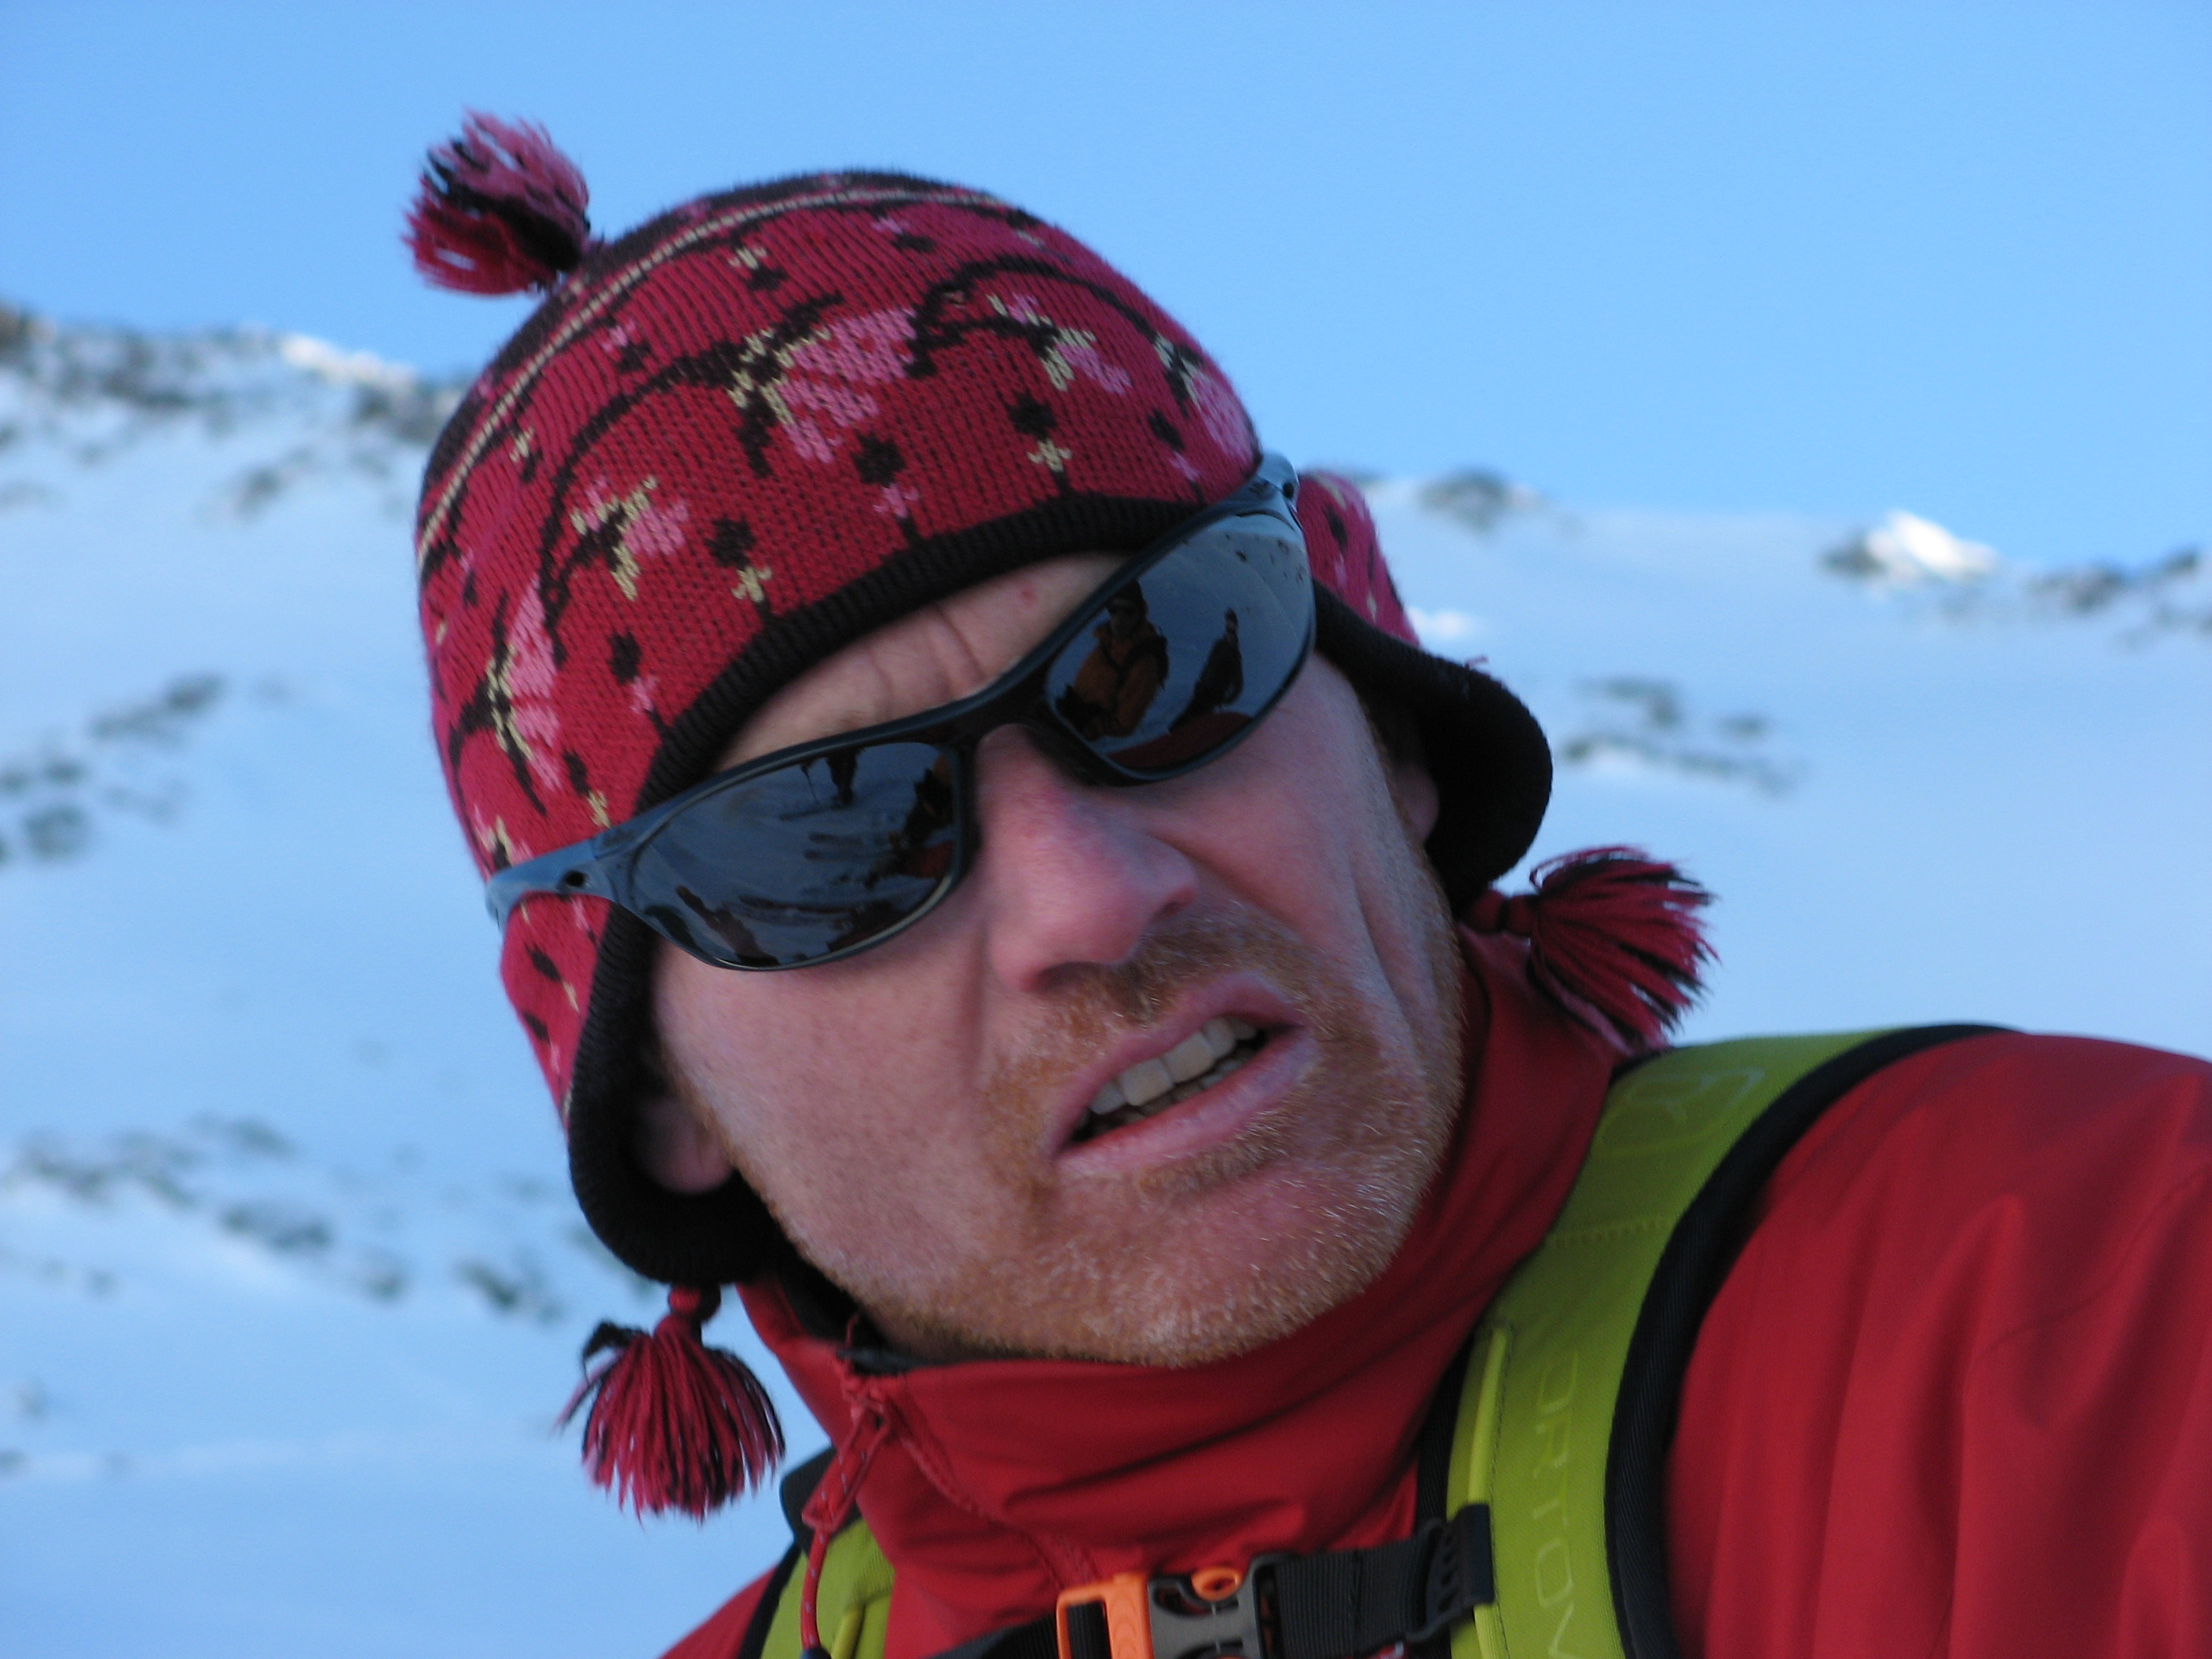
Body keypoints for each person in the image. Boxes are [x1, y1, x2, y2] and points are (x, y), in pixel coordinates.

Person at [405, 116, 2212, 1659]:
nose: (1092, 899)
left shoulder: (2092, 1311)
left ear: (1390, 736)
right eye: (834, 840)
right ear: (659, 1096)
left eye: (1166, 667)